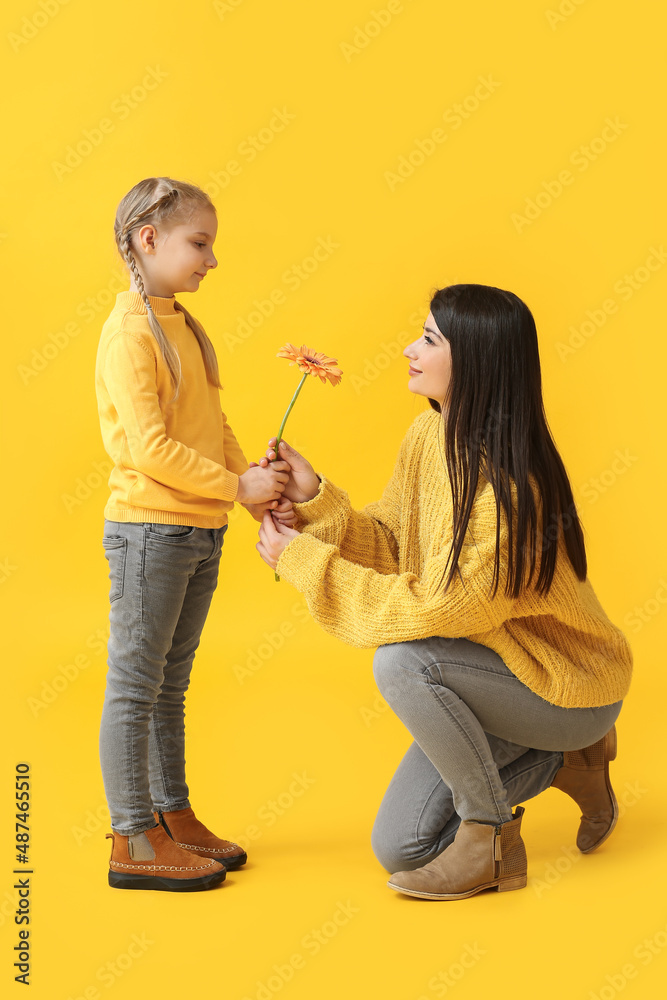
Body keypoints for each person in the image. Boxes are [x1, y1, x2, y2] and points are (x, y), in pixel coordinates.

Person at [255, 283, 633, 900]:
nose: (409, 348)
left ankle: (492, 839)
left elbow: (443, 608)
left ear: (477, 359)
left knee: (405, 661)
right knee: (402, 847)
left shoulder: (514, 488)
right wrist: (315, 498)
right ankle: (571, 763)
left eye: (429, 339)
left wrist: (303, 561)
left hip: (567, 686)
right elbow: (397, 541)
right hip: (502, 674)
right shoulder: (431, 437)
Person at [95, 177, 293, 892]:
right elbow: (147, 449)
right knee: (134, 687)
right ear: (149, 241)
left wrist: (251, 494)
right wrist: (232, 485)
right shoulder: (127, 334)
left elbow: (213, 430)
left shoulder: (183, 325)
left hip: (195, 532)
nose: (212, 259)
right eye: (199, 244)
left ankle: (170, 815)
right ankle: (132, 839)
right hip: (150, 533)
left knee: (168, 687)